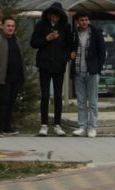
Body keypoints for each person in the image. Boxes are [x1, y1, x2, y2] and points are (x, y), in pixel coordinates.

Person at [30, 1, 76, 136]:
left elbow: (71, 45)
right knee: (44, 96)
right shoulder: (41, 25)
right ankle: (44, 125)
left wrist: (66, 57)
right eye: (52, 15)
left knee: (57, 96)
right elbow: (33, 43)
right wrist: (47, 38)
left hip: (59, 66)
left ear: (61, 16)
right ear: (48, 15)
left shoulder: (65, 27)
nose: (54, 18)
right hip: (44, 65)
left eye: (57, 16)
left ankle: (57, 125)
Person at [0, 16, 27, 138]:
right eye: (8, 26)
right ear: (2, 26)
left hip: (16, 78)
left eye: (12, 26)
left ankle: (7, 128)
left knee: (11, 103)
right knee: (2, 103)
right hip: (2, 78)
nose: (10, 28)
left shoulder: (16, 40)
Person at [70, 12, 106, 138]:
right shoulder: (74, 33)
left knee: (93, 102)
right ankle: (82, 127)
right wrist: (70, 54)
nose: (84, 22)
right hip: (78, 71)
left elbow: (102, 52)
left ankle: (92, 127)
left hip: (92, 72)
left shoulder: (96, 32)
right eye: (82, 20)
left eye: (86, 19)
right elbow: (69, 48)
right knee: (80, 101)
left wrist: (98, 68)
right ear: (77, 21)